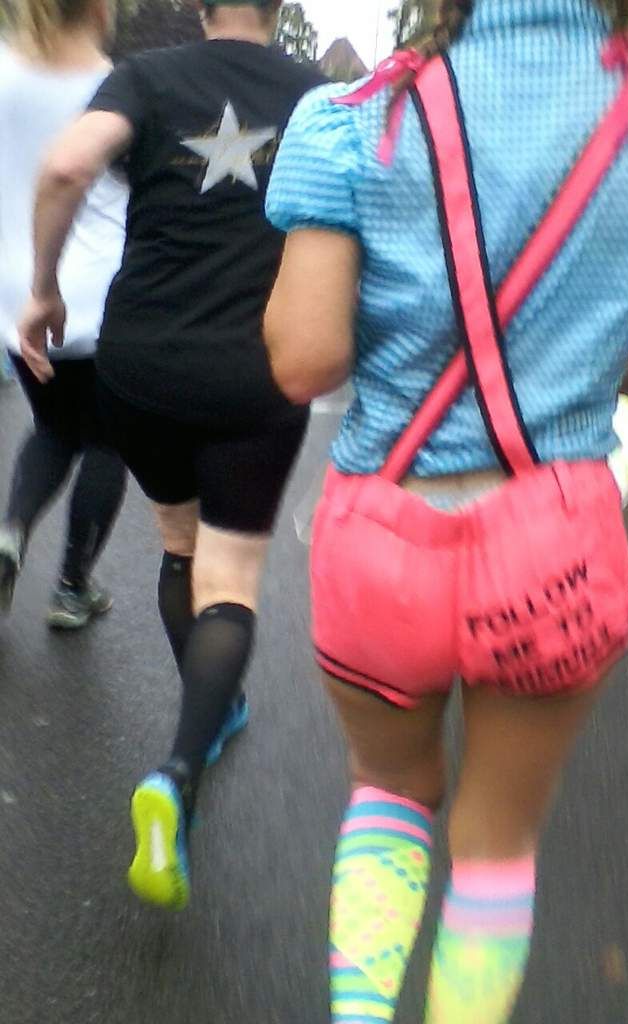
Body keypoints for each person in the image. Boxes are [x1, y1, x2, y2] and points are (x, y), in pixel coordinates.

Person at [264, 0, 628, 1020]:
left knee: (388, 790)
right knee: (497, 844)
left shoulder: (355, 116)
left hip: (379, 537)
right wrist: (591, 368)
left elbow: (305, 358)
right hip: (556, 550)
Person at [18, 0, 324, 910]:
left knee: (179, 546)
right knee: (231, 579)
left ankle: (207, 704)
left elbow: (67, 163)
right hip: (256, 370)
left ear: (199, 7)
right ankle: (182, 763)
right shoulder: (319, 97)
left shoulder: (146, 79)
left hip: (140, 365)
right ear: (279, 8)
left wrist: (43, 290)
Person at [0, 0, 127, 628]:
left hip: (15, 297)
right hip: (100, 296)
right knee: (108, 440)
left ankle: (11, 531)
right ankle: (73, 587)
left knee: (52, 428)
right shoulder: (119, 87)